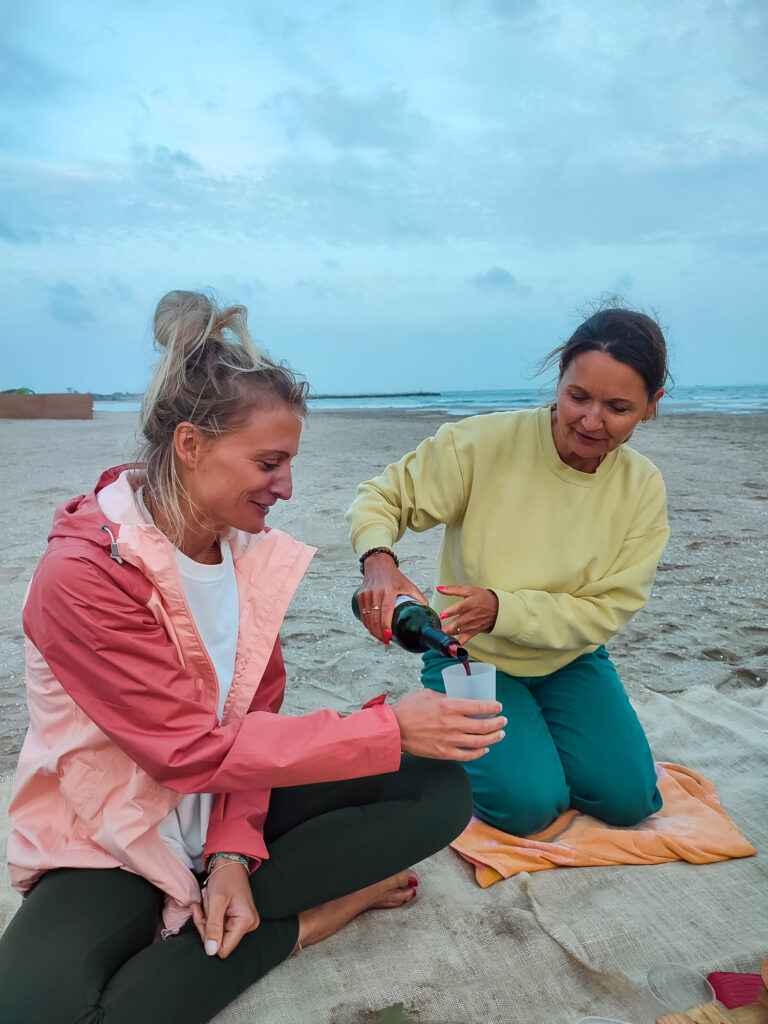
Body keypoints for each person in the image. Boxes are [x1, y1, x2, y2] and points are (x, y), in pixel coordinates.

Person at [0, 290, 506, 1024]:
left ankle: (228, 897)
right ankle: (305, 920)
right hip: (114, 826)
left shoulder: (247, 556)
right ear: (191, 445)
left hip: (229, 794)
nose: (289, 488)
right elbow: (188, 751)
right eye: (270, 462)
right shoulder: (82, 577)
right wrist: (391, 727)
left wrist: (234, 851)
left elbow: (255, 715)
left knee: (439, 789)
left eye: (291, 462)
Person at [347, 307, 671, 838]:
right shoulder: (481, 444)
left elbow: (609, 609)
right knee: (528, 808)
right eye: (578, 397)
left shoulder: (642, 488)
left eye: (618, 408)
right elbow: (382, 497)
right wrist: (377, 559)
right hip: (469, 659)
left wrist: (504, 608)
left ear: (651, 407)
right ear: (559, 379)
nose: (591, 421)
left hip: (571, 657)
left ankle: (536, 742)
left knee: (630, 799)